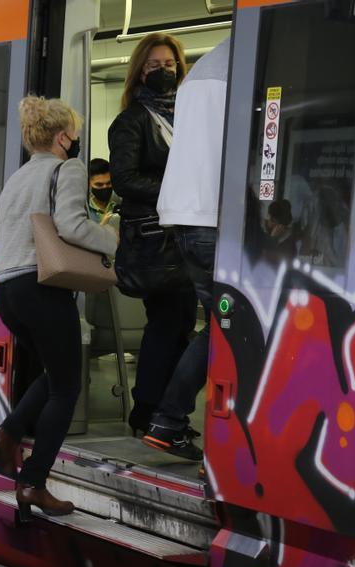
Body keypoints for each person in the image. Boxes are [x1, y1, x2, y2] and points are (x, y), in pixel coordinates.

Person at [0, 97, 118, 519]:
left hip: (4, 288)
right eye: (73, 135)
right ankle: (33, 484)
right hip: (39, 286)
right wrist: (115, 244)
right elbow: (72, 226)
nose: (74, 142)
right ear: (63, 137)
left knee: (52, 371)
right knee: (67, 386)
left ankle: (7, 437)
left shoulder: (18, 177)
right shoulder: (69, 167)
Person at [143, 38, 231, 461]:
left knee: (217, 326)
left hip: (186, 217)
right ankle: (179, 422)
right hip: (211, 216)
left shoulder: (206, 68)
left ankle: (169, 421)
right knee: (233, 327)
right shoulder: (248, 57)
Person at [108, 33, 198, 436]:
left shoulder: (191, 116)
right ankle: (148, 411)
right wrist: (177, 188)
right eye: (154, 66)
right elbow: (124, 181)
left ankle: (164, 412)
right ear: (139, 72)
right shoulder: (131, 121)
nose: (164, 71)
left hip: (185, 236)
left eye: (169, 64)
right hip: (153, 242)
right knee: (166, 323)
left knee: (180, 325)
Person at [87, 158, 118, 225]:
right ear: (89, 184)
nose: (105, 187)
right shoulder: (84, 210)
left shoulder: (119, 205)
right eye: (99, 185)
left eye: (108, 183)